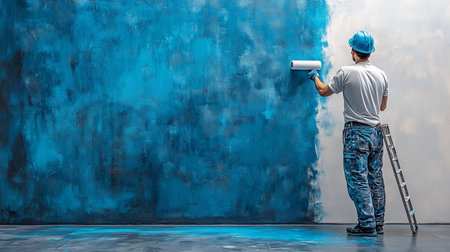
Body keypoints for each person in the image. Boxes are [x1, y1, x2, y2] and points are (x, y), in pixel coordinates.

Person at [308, 31, 388, 236]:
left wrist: (315, 77)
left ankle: (367, 224)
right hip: (376, 132)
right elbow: (382, 106)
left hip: (357, 133)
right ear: (370, 52)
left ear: (353, 50)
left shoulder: (346, 72)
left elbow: (324, 91)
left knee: (358, 179)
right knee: (375, 178)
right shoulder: (381, 75)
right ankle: (377, 223)